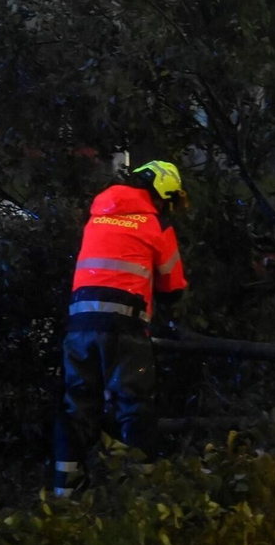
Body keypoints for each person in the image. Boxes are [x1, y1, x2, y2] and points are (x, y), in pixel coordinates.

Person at [52, 159, 188, 497]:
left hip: (80, 326)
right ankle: (140, 494)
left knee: (77, 404)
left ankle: (65, 493)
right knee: (134, 404)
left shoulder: (97, 218)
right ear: (160, 194)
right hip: (125, 326)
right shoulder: (156, 225)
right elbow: (173, 289)